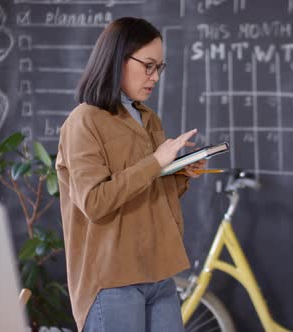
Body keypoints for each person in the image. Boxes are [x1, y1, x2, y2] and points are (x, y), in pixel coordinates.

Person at [55, 17, 206, 332]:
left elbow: (149, 192)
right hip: (112, 278)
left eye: (159, 68)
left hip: (159, 270)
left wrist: (180, 175)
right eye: (148, 66)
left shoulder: (148, 117)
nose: (154, 77)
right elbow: (94, 202)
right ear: (117, 59)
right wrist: (155, 162)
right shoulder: (84, 121)